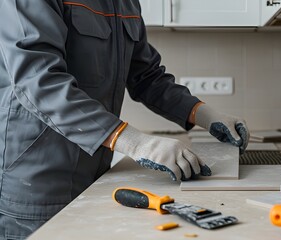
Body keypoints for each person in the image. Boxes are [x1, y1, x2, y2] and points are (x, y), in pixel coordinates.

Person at [0, 0, 249, 238]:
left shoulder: (125, 2)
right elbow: (39, 82)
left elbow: (146, 76)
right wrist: (135, 142)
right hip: (37, 181)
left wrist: (201, 113)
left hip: (94, 173)